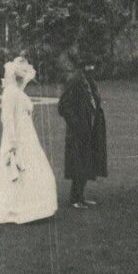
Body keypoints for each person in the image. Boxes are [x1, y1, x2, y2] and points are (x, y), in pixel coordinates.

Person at [0, 56, 58, 224]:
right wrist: (12, 144)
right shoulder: (10, 93)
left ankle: (37, 209)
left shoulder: (17, 91)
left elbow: (25, 82)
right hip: (17, 137)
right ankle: (15, 209)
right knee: (16, 171)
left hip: (27, 135)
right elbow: (7, 119)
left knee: (34, 169)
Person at [57, 55, 107, 209]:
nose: (92, 68)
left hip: (90, 128)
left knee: (87, 162)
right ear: (82, 66)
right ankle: (74, 198)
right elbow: (63, 106)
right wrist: (76, 123)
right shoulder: (76, 81)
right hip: (79, 131)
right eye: (89, 65)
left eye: (93, 65)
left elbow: (94, 102)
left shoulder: (88, 81)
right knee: (78, 163)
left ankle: (81, 196)